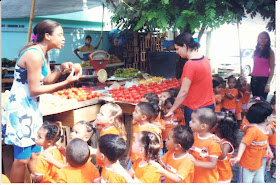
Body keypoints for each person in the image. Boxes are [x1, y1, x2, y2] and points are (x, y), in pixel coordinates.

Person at [1, 20, 81, 183]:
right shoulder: (34, 54)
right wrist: (66, 83)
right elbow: (35, 89)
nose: (63, 38)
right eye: (60, 35)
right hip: (21, 111)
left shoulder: (43, 53)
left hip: (32, 109)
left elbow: (46, 80)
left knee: (36, 154)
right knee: (22, 160)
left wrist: (60, 70)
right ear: (47, 36)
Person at [165, 33, 214, 127]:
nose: (177, 52)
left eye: (177, 49)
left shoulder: (190, 64)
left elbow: (184, 91)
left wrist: (172, 110)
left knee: (193, 138)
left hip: (195, 109)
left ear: (184, 46)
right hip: (208, 106)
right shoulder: (205, 59)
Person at [230, 102, 273, 183]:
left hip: (258, 162)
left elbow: (264, 139)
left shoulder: (265, 128)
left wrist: (268, 149)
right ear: (267, 118)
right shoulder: (253, 130)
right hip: (247, 164)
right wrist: (238, 157)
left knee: (259, 181)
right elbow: (243, 143)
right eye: (271, 115)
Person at [188, 108, 222, 183]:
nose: (190, 122)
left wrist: (196, 162)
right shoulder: (193, 137)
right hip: (193, 178)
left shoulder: (213, 142)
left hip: (206, 180)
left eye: (193, 121)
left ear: (203, 126)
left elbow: (213, 164)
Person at [125, 102, 161, 170]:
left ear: (143, 117)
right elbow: (132, 141)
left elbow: (155, 146)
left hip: (143, 161)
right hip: (133, 158)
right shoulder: (135, 126)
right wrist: (128, 155)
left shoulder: (152, 129)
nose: (133, 113)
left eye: (136, 112)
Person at [92, 103, 127, 168]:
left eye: (101, 114)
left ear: (111, 120)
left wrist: (93, 151)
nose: (97, 115)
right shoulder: (106, 126)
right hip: (103, 162)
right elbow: (97, 127)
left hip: (107, 165)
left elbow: (107, 151)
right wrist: (95, 124)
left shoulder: (112, 133)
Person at [213, 112, 238, 183]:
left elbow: (221, 156)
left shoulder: (226, 143)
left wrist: (219, 143)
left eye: (214, 122)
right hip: (214, 173)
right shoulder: (213, 135)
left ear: (222, 127)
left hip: (222, 176)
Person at [251, 31, 275, 100]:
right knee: (254, 100)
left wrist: (268, 84)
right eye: (261, 38)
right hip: (254, 78)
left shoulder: (270, 52)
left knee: (261, 101)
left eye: (265, 38)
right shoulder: (256, 51)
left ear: (268, 40)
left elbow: (272, 68)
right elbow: (255, 65)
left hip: (263, 80)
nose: (263, 40)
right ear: (258, 39)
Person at [266, 93, 276, 178]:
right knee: (269, 155)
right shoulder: (269, 116)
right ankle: (268, 165)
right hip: (269, 140)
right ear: (272, 105)